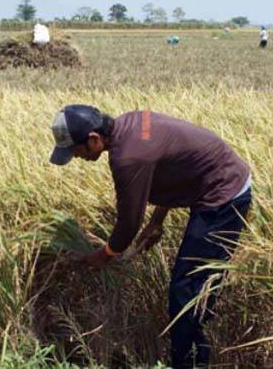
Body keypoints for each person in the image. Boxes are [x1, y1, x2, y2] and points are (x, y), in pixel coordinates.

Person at [49, 105, 252, 368]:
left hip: (224, 195)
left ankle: (190, 363)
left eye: (75, 150)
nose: (76, 157)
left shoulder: (128, 158)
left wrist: (104, 255)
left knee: (187, 294)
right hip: (217, 182)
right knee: (191, 287)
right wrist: (157, 221)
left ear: (93, 139)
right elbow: (173, 166)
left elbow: (128, 224)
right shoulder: (131, 123)